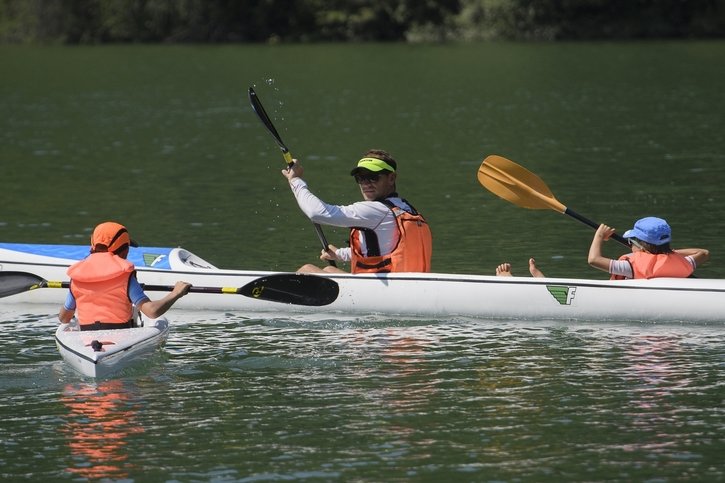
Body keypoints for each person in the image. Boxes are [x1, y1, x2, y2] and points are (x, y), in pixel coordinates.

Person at [282, 149, 432, 274]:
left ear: (391, 178)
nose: (366, 183)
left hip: (383, 292)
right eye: (361, 178)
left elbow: (317, 213)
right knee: (329, 269)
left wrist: (295, 180)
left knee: (306, 269)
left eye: (372, 177)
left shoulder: (375, 210)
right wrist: (340, 254)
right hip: (407, 286)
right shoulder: (405, 208)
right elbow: (385, 248)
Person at [58, 221, 192, 330]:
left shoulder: (77, 277)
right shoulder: (126, 277)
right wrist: (176, 293)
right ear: (124, 251)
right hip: (121, 337)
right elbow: (152, 312)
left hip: (86, 338)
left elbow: (64, 318)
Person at [588, 216, 709, 279]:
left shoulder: (630, 267)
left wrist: (599, 235)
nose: (631, 244)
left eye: (632, 241)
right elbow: (703, 253)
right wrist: (669, 253)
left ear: (642, 246)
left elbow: (594, 260)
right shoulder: (684, 263)